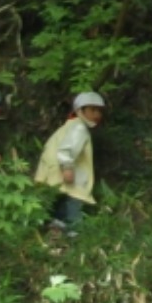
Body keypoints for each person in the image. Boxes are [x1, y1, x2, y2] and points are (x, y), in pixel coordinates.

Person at [36, 91, 107, 235]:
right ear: (80, 110)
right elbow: (66, 149)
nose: (97, 114)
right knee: (73, 207)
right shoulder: (79, 128)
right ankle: (74, 238)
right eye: (92, 110)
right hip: (68, 175)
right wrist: (67, 167)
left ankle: (55, 233)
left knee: (58, 206)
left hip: (53, 175)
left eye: (99, 110)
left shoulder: (69, 126)